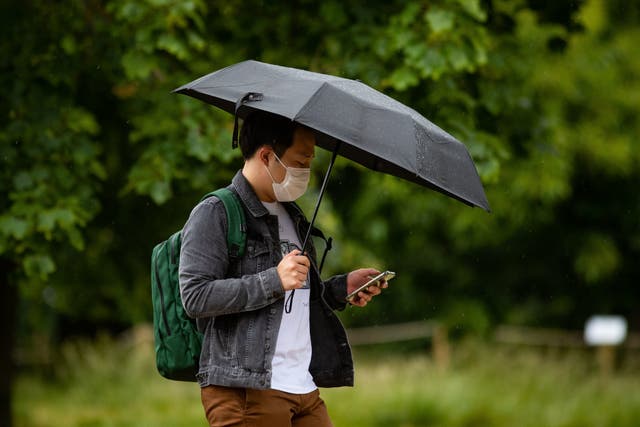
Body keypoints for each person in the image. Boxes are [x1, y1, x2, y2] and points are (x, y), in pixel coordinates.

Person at [179, 110, 387, 427]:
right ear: (266, 155)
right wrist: (272, 280)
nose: (306, 171)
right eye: (301, 162)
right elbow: (195, 296)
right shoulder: (216, 212)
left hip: (302, 387)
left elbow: (295, 299)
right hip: (247, 388)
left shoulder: (293, 215)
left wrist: (340, 289)